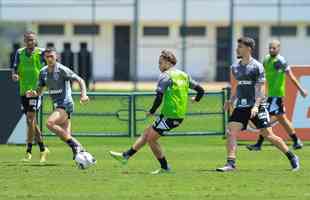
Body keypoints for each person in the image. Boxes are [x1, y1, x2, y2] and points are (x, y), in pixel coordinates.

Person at [109, 50, 205, 174]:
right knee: (147, 133)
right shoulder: (184, 75)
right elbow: (201, 90)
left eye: (160, 63)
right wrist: (196, 99)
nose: (159, 66)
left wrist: (152, 111)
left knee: (151, 139)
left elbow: (159, 97)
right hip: (174, 115)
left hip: (170, 116)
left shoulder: (165, 76)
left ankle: (165, 167)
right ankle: (125, 156)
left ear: (168, 62)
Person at [216, 37, 300, 172]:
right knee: (231, 132)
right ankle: (231, 163)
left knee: (268, 135)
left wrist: (256, 105)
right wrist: (231, 100)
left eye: (240, 47)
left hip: (258, 105)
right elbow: (239, 85)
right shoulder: (235, 67)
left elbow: (261, 88)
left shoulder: (257, 66)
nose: (237, 49)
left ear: (248, 49)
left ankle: (292, 156)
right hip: (242, 105)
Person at [26, 47, 96, 166]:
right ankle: (86, 157)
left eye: (51, 56)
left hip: (65, 104)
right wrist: (34, 93)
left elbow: (80, 80)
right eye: (47, 57)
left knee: (50, 123)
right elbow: (40, 90)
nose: (49, 59)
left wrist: (83, 95)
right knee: (66, 136)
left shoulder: (62, 70)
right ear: (44, 58)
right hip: (57, 106)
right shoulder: (43, 72)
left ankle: (77, 146)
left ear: (56, 57)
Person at [246, 39, 307, 151]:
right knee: (281, 119)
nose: (271, 49)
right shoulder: (266, 59)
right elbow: (262, 74)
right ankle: (296, 141)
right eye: (270, 47)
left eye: (274, 48)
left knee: (264, 117)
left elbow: (291, 76)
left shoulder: (281, 61)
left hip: (276, 95)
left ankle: (258, 144)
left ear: (279, 48)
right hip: (269, 95)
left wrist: (301, 90)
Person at [11, 31, 49, 162]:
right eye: (27, 40)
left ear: (35, 40)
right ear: (24, 41)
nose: (30, 42)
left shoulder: (41, 52)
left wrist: (44, 83)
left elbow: (51, 64)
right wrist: (14, 75)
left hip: (35, 91)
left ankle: (28, 151)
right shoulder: (19, 53)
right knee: (31, 121)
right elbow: (15, 68)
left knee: (31, 118)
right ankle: (43, 148)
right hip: (23, 90)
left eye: (32, 40)